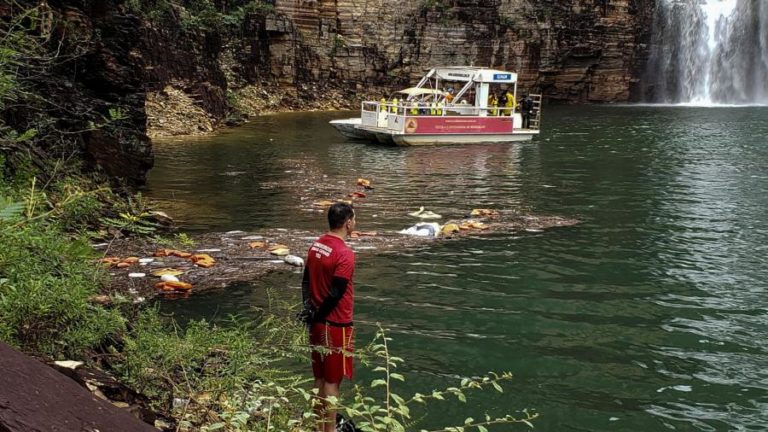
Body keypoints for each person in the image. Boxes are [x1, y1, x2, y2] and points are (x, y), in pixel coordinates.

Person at [301, 202, 357, 432]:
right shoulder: (345, 253)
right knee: (333, 381)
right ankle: (330, 430)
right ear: (348, 222)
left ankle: (318, 426)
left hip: (316, 323)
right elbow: (336, 292)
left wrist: (309, 311)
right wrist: (320, 314)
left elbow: (305, 280)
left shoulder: (317, 245)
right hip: (336, 324)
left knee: (319, 378)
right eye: (354, 219)